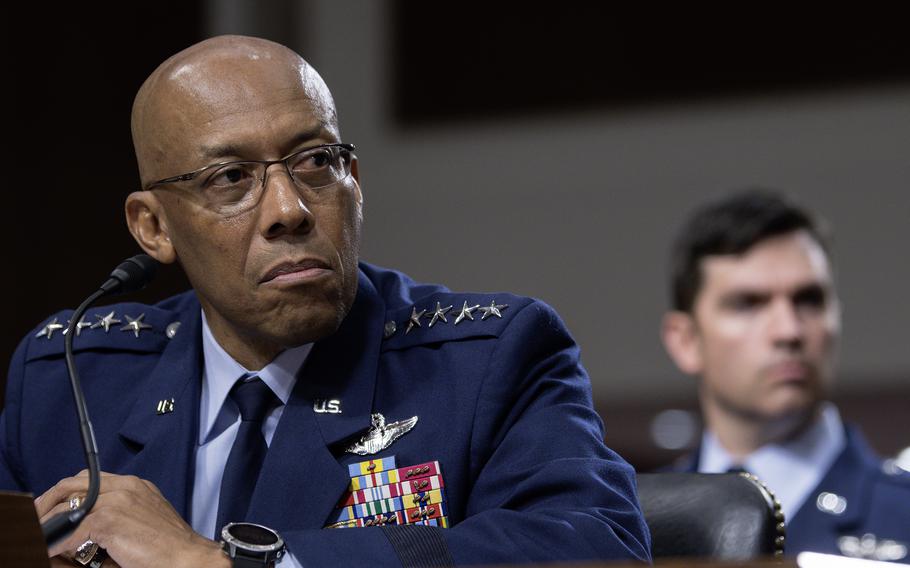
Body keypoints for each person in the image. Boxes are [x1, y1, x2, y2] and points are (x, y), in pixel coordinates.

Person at [0, 35, 650, 567]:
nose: (290, 209)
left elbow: (595, 547)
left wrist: (224, 565)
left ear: (354, 183)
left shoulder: (486, 362)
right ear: (153, 228)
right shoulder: (69, 377)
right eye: (231, 178)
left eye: (316, 162)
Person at [660, 189, 909, 562]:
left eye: (809, 299)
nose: (789, 331)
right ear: (686, 341)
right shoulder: (631, 521)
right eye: (748, 304)